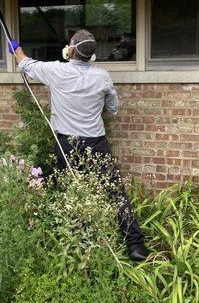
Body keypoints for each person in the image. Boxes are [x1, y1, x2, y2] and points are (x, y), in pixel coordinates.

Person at [8, 29, 149, 261]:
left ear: (70, 50)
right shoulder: (103, 76)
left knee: (70, 190)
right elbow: (113, 108)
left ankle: (78, 242)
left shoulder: (55, 71)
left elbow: (25, 63)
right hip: (96, 143)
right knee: (114, 192)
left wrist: (16, 48)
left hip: (67, 144)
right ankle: (135, 246)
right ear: (90, 54)